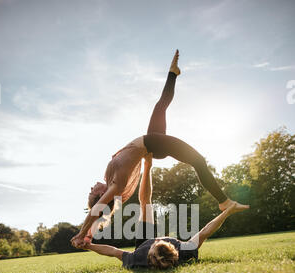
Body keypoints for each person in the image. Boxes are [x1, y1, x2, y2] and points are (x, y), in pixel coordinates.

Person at [71, 50, 249, 249]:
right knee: (198, 161)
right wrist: (82, 232)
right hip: (152, 144)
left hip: (151, 145)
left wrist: (88, 232)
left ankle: (173, 73)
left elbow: (98, 213)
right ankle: (224, 201)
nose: (91, 189)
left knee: (161, 106)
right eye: (92, 193)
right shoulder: (116, 186)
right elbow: (98, 210)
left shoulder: (109, 175)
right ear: (100, 195)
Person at [80, 155, 248, 269]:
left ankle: (147, 166)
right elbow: (206, 230)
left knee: (145, 204)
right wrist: (227, 212)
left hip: (141, 246)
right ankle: (148, 165)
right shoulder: (185, 250)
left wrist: (90, 246)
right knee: (146, 203)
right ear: (172, 247)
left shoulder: (139, 257)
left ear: (150, 252)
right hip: (163, 252)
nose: (157, 240)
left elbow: (113, 251)